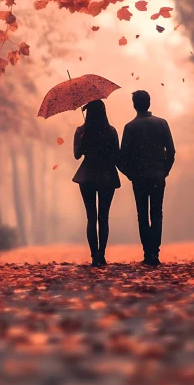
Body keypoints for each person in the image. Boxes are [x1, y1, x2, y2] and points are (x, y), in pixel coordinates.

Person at [120, 90, 175, 267]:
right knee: (157, 213)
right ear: (149, 103)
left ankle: (147, 253)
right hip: (158, 175)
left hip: (139, 178)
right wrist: (164, 170)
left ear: (134, 105)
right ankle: (155, 253)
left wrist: (130, 174)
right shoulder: (162, 123)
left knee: (142, 215)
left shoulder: (130, 127)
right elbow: (171, 151)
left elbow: (123, 156)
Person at [73, 99, 120, 267]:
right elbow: (116, 155)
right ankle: (101, 255)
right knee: (103, 217)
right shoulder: (111, 131)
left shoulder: (81, 131)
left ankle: (94, 256)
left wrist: (84, 141)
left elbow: (77, 155)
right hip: (107, 176)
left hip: (87, 176)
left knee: (91, 217)